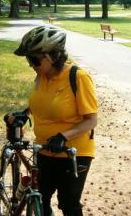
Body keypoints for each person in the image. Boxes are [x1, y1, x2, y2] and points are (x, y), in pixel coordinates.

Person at [14, 24, 98, 216]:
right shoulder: (41, 76)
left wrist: (63, 136)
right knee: (39, 199)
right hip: (44, 149)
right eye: (29, 59)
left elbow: (91, 120)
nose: (30, 64)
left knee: (68, 204)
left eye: (34, 59)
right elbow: (44, 104)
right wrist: (24, 113)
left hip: (72, 153)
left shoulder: (78, 77)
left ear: (52, 56)